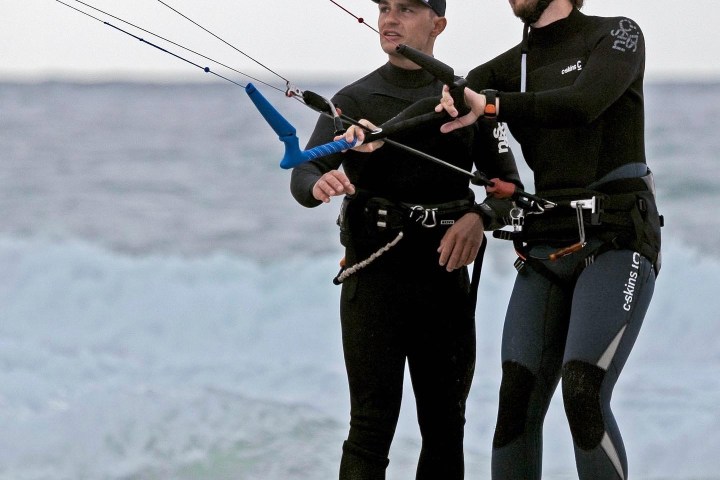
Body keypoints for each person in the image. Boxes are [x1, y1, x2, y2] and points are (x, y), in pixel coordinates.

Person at [290, 0, 522, 478]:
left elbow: (508, 191)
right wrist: (317, 184)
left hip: (444, 279)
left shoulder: (467, 100)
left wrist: (480, 216)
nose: (390, 19)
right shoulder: (353, 101)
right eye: (385, 8)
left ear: (438, 24)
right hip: (374, 276)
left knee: (444, 427)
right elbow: (306, 170)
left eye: (407, 9)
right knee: (370, 427)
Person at [437, 0, 662, 479]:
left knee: (583, 391)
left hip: (617, 241)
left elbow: (584, 103)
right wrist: (370, 133)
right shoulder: (505, 67)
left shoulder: (618, 34)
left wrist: (492, 105)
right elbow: (449, 105)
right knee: (515, 401)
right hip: (547, 246)